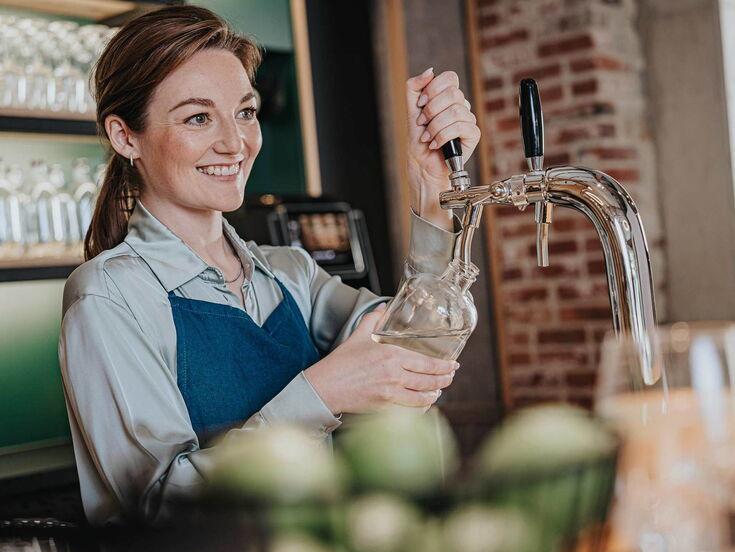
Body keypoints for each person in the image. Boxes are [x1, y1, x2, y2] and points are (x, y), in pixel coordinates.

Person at [58, 5, 481, 526]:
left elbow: (421, 344)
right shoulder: (107, 296)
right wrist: (322, 394)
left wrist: (432, 187)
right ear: (126, 137)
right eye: (197, 117)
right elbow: (154, 509)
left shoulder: (291, 273)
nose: (235, 143)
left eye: (245, 111)